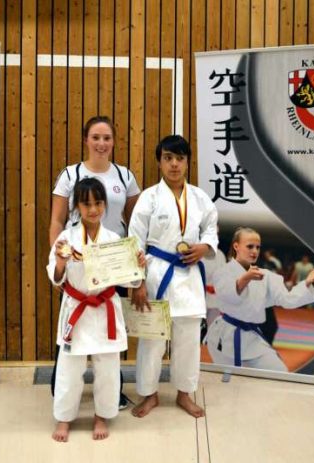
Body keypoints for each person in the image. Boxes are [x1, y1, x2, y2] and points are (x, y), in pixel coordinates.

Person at [49, 115, 141, 409]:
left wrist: (134, 264)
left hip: (114, 262)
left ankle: (113, 392)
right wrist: (57, 260)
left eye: (107, 138)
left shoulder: (125, 176)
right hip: (77, 262)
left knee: (110, 326)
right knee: (71, 322)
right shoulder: (70, 174)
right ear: (86, 140)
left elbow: (136, 224)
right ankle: (61, 386)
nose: (101, 143)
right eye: (96, 137)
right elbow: (56, 220)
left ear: (114, 141)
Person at [48, 178, 145, 442]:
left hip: (104, 309)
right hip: (76, 308)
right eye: (86, 203)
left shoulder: (115, 240)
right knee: (69, 367)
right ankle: (64, 419)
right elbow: (56, 278)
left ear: (105, 205)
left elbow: (130, 281)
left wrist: (137, 267)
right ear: (77, 206)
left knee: (108, 369)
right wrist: (59, 263)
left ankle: (101, 415)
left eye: (98, 203)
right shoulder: (66, 239)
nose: (93, 209)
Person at [129, 135, 218, 419]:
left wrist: (205, 246)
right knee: (152, 340)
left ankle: (184, 393)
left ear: (188, 162)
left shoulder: (200, 197)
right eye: (168, 158)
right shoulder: (149, 198)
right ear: (159, 162)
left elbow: (211, 228)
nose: (174, 164)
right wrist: (138, 282)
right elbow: (134, 242)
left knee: (188, 339)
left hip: (190, 276)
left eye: (180, 158)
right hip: (157, 275)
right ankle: (149, 394)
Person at [204, 227, 314, 371]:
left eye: (257, 247)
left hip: (252, 339)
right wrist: (245, 278)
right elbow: (229, 296)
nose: (254, 251)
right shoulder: (223, 272)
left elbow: (287, 299)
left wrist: (306, 283)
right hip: (225, 336)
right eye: (250, 246)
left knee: (280, 371)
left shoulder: (265, 276)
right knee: (230, 381)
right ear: (236, 246)